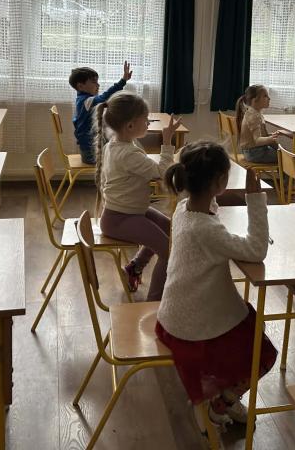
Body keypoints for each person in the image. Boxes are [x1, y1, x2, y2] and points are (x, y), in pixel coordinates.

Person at [155, 141, 277, 436]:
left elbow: (213, 218)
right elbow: (256, 250)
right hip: (192, 329)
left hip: (172, 317)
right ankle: (221, 403)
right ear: (220, 181)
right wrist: (254, 199)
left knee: (249, 322)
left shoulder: (184, 209)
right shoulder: (205, 228)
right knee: (262, 352)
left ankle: (221, 397)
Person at [93, 92, 181, 300]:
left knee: (171, 231)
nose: (148, 123)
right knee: (168, 251)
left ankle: (134, 268)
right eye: (146, 119)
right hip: (120, 219)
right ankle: (153, 302)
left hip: (129, 212)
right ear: (130, 125)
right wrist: (167, 142)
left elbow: (149, 168)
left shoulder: (118, 144)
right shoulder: (128, 153)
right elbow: (162, 173)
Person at [70, 61, 132, 164]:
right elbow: (105, 97)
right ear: (80, 86)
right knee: (123, 156)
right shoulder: (86, 101)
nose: (98, 85)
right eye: (94, 82)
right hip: (90, 154)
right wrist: (123, 81)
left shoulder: (83, 100)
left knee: (118, 143)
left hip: (89, 149)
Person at [235, 85, 282, 164]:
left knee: (282, 153)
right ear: (254, 100)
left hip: (253, 151)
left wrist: (270, 136)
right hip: (255, 153)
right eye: (265, 96)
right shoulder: (254, 116)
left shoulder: (254, 113)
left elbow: (259, 135)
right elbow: (257, 141)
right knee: (285, 158)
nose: (269, 98)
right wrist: (270, 139)